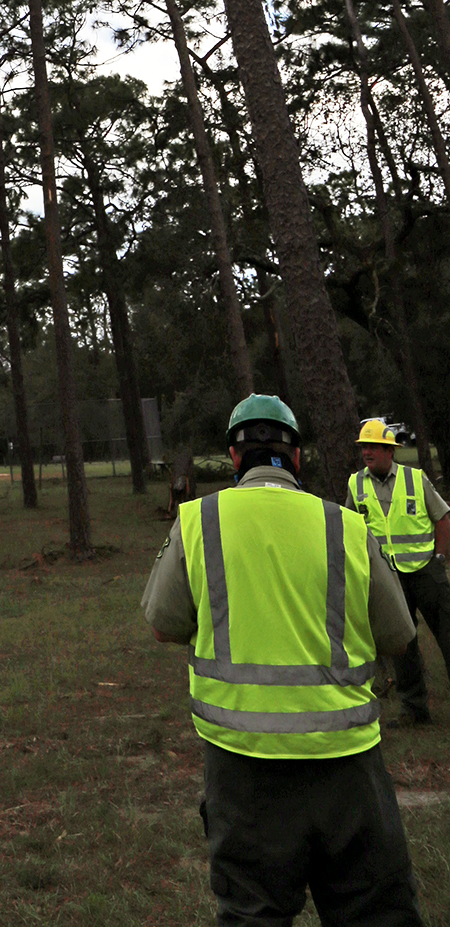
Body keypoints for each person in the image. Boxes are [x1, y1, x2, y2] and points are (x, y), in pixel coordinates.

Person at [141, 392, 424, 926]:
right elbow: (399, 637)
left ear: (232, 457)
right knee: (376, 914)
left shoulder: (199, 521)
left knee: (253, 916)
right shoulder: (346, 525)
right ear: (296, 457)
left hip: (243, 770)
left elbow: (164, 625)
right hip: (348, 768)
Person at [345, 417, 450, 726]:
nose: (367, 452)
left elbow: (443, 517)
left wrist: (440, 559)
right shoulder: (356, 483)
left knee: (447, 634)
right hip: (388, 577)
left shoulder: (415, 479)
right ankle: (415, 711)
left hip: (426, 573)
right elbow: (351, 527)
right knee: (402, 645)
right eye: (364, 447)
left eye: (373, 446)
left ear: (389, 450)